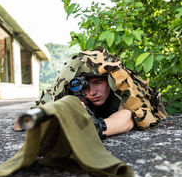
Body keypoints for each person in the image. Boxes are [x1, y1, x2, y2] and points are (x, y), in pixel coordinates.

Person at [13, 47, 167, 137]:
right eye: (84, 86)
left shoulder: (121, 88)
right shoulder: (71, 90)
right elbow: (25, 121)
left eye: (97, 83)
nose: (91, 92)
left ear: (109, 81)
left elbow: (128, 117)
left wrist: (95, 127)